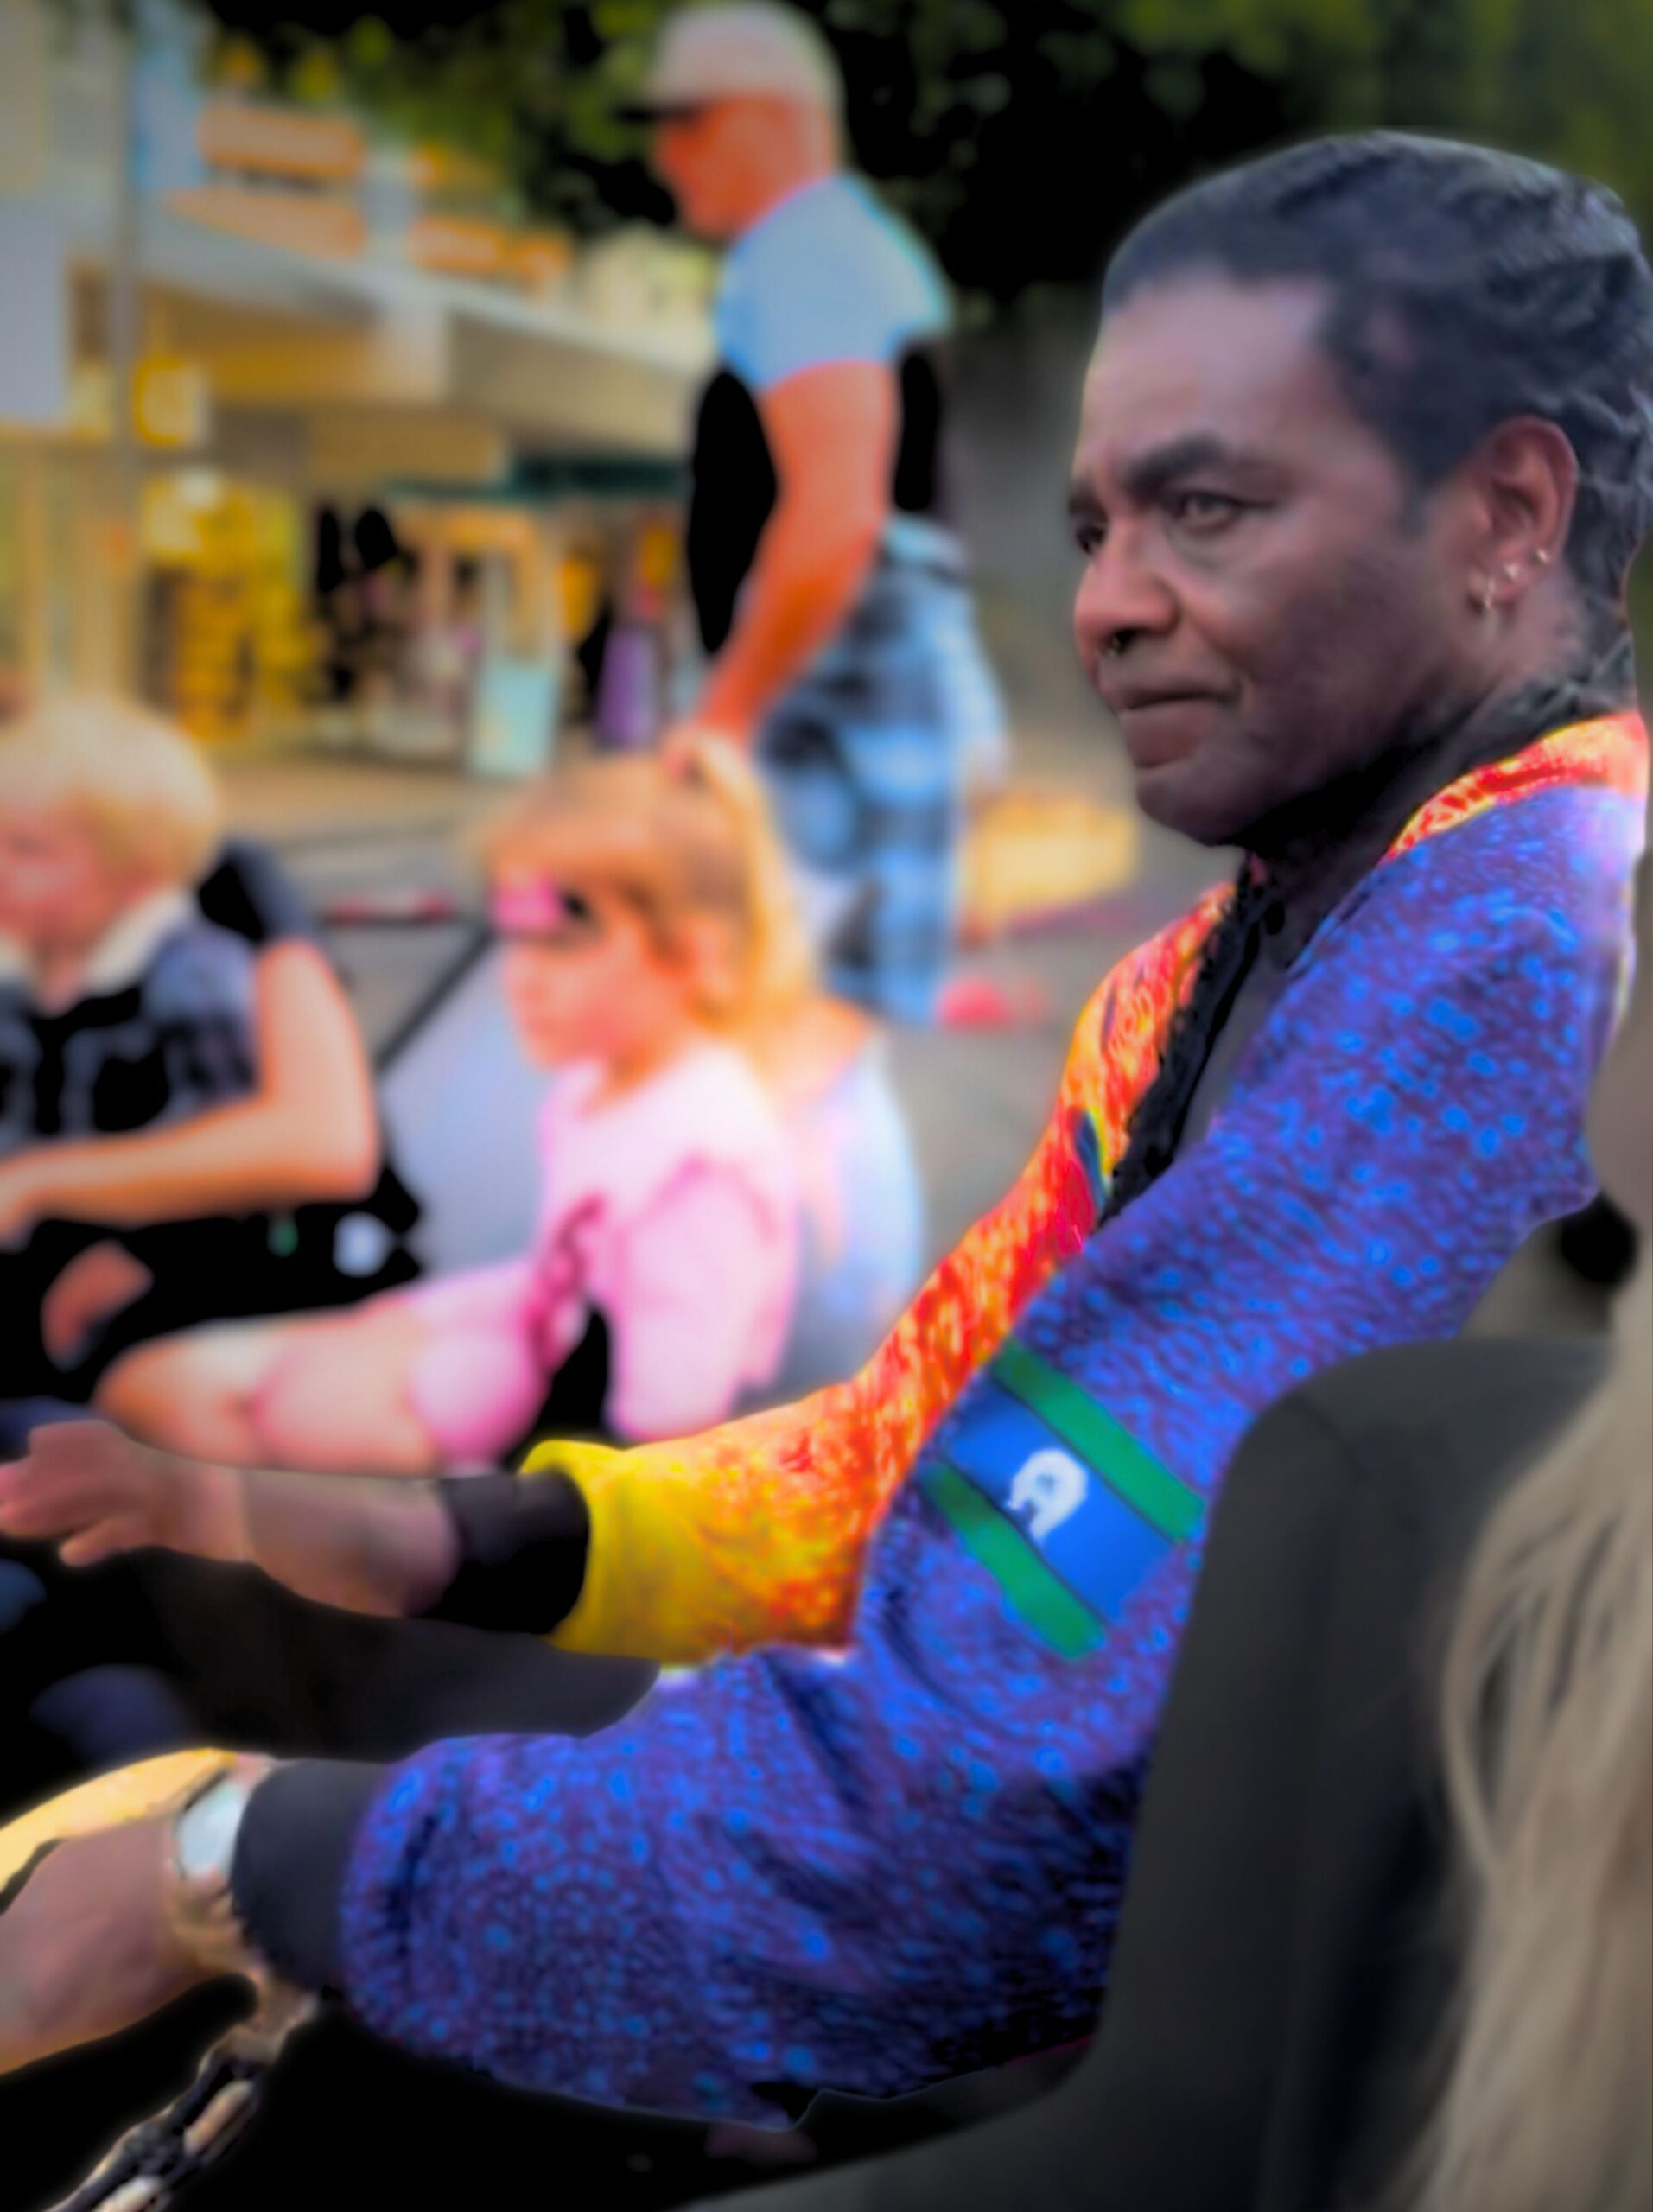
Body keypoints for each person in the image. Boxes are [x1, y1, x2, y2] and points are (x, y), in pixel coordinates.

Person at [0, 135, 1648, 2168]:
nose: (1111, 603)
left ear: (1504, 511)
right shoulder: (1220, 961)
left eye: (1207, 510)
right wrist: (437, 1527)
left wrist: (229, 1851)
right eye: (1094, 523)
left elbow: (931, 1841)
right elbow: (903, 1450)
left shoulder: (1508, 951)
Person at [96, 747, 804, 1472]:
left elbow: (661, 1438)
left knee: (191, 1409)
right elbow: (562, 1271)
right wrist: (414, 1319)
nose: (518, 979)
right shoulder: (604, 1088)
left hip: (551, 1461)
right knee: (158, 1392)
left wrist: (474, 1515)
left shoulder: (699, 1170)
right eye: (513, 940)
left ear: (694, 956)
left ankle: (296, 1556)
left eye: (559, 944)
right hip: (518, 1353)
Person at [639, 2, 1006, 1023]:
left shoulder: (801, 250)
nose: (667, 157)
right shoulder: (855, 248)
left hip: (830, 694)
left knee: (796, 1038)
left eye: (686, 122)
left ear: (766, 117)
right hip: (862, 683)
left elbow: (840, 507)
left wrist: (723, 714)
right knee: (831, 1040)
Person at [0, 696, 397, 1434]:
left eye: (27, 849)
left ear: (136, 873)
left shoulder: (190, 977)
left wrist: (143, 1256)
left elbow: (236, 1163)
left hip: (151, 1263)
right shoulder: (29, 967)